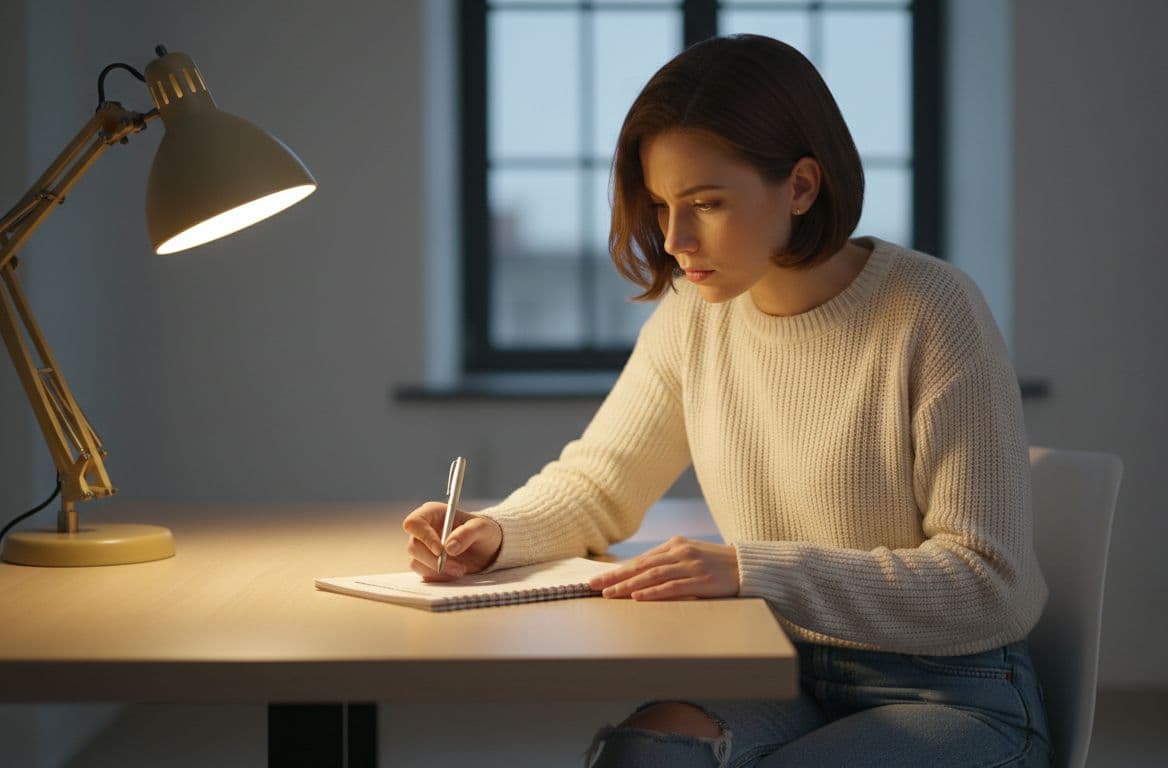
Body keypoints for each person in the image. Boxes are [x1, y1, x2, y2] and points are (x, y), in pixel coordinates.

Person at [402, 34, 1052, 768]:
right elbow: (598, 484)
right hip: (776, 672)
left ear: (802, 187)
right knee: (643, 756)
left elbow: (988, 584)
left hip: (955, 693)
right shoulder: (695, 313)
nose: (676, 240)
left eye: (707, 203)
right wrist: (494, 533)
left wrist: (750, 570)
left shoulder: (930, 309)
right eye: (661, 205)